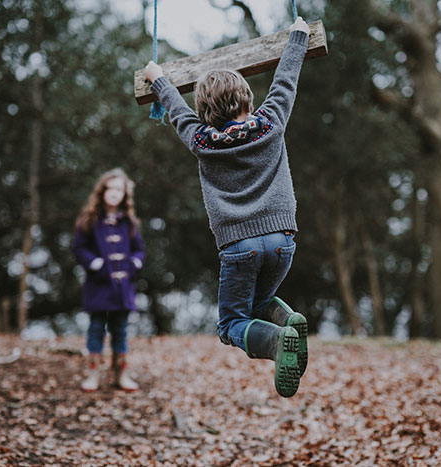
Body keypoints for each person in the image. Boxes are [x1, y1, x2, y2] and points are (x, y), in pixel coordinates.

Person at [144, 17, 311, 398]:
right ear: (248, 98)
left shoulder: (202, 140)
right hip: (283, 241)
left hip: (239, 247)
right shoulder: (271, 123)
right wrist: (298, 35)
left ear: (207, 111)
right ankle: (288, 321)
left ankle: (276, 342)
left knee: (231, 323)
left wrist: (159, 78)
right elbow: (286, 79)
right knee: (261, 302)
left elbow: (176, 111)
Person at [72, 168, 145, 392]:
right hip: (98, 286)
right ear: (102, 191)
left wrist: (134, 263)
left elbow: (139, 249)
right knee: (96, 328)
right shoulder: (89, 219)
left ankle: (120, 375)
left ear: (125, 194)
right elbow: (78, 247)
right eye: (110, 188)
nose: (114, 193)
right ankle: (93, 374)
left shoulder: (129, 222)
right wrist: (95, 264)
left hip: (123, 288)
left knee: (121, 329)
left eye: (119, 190)